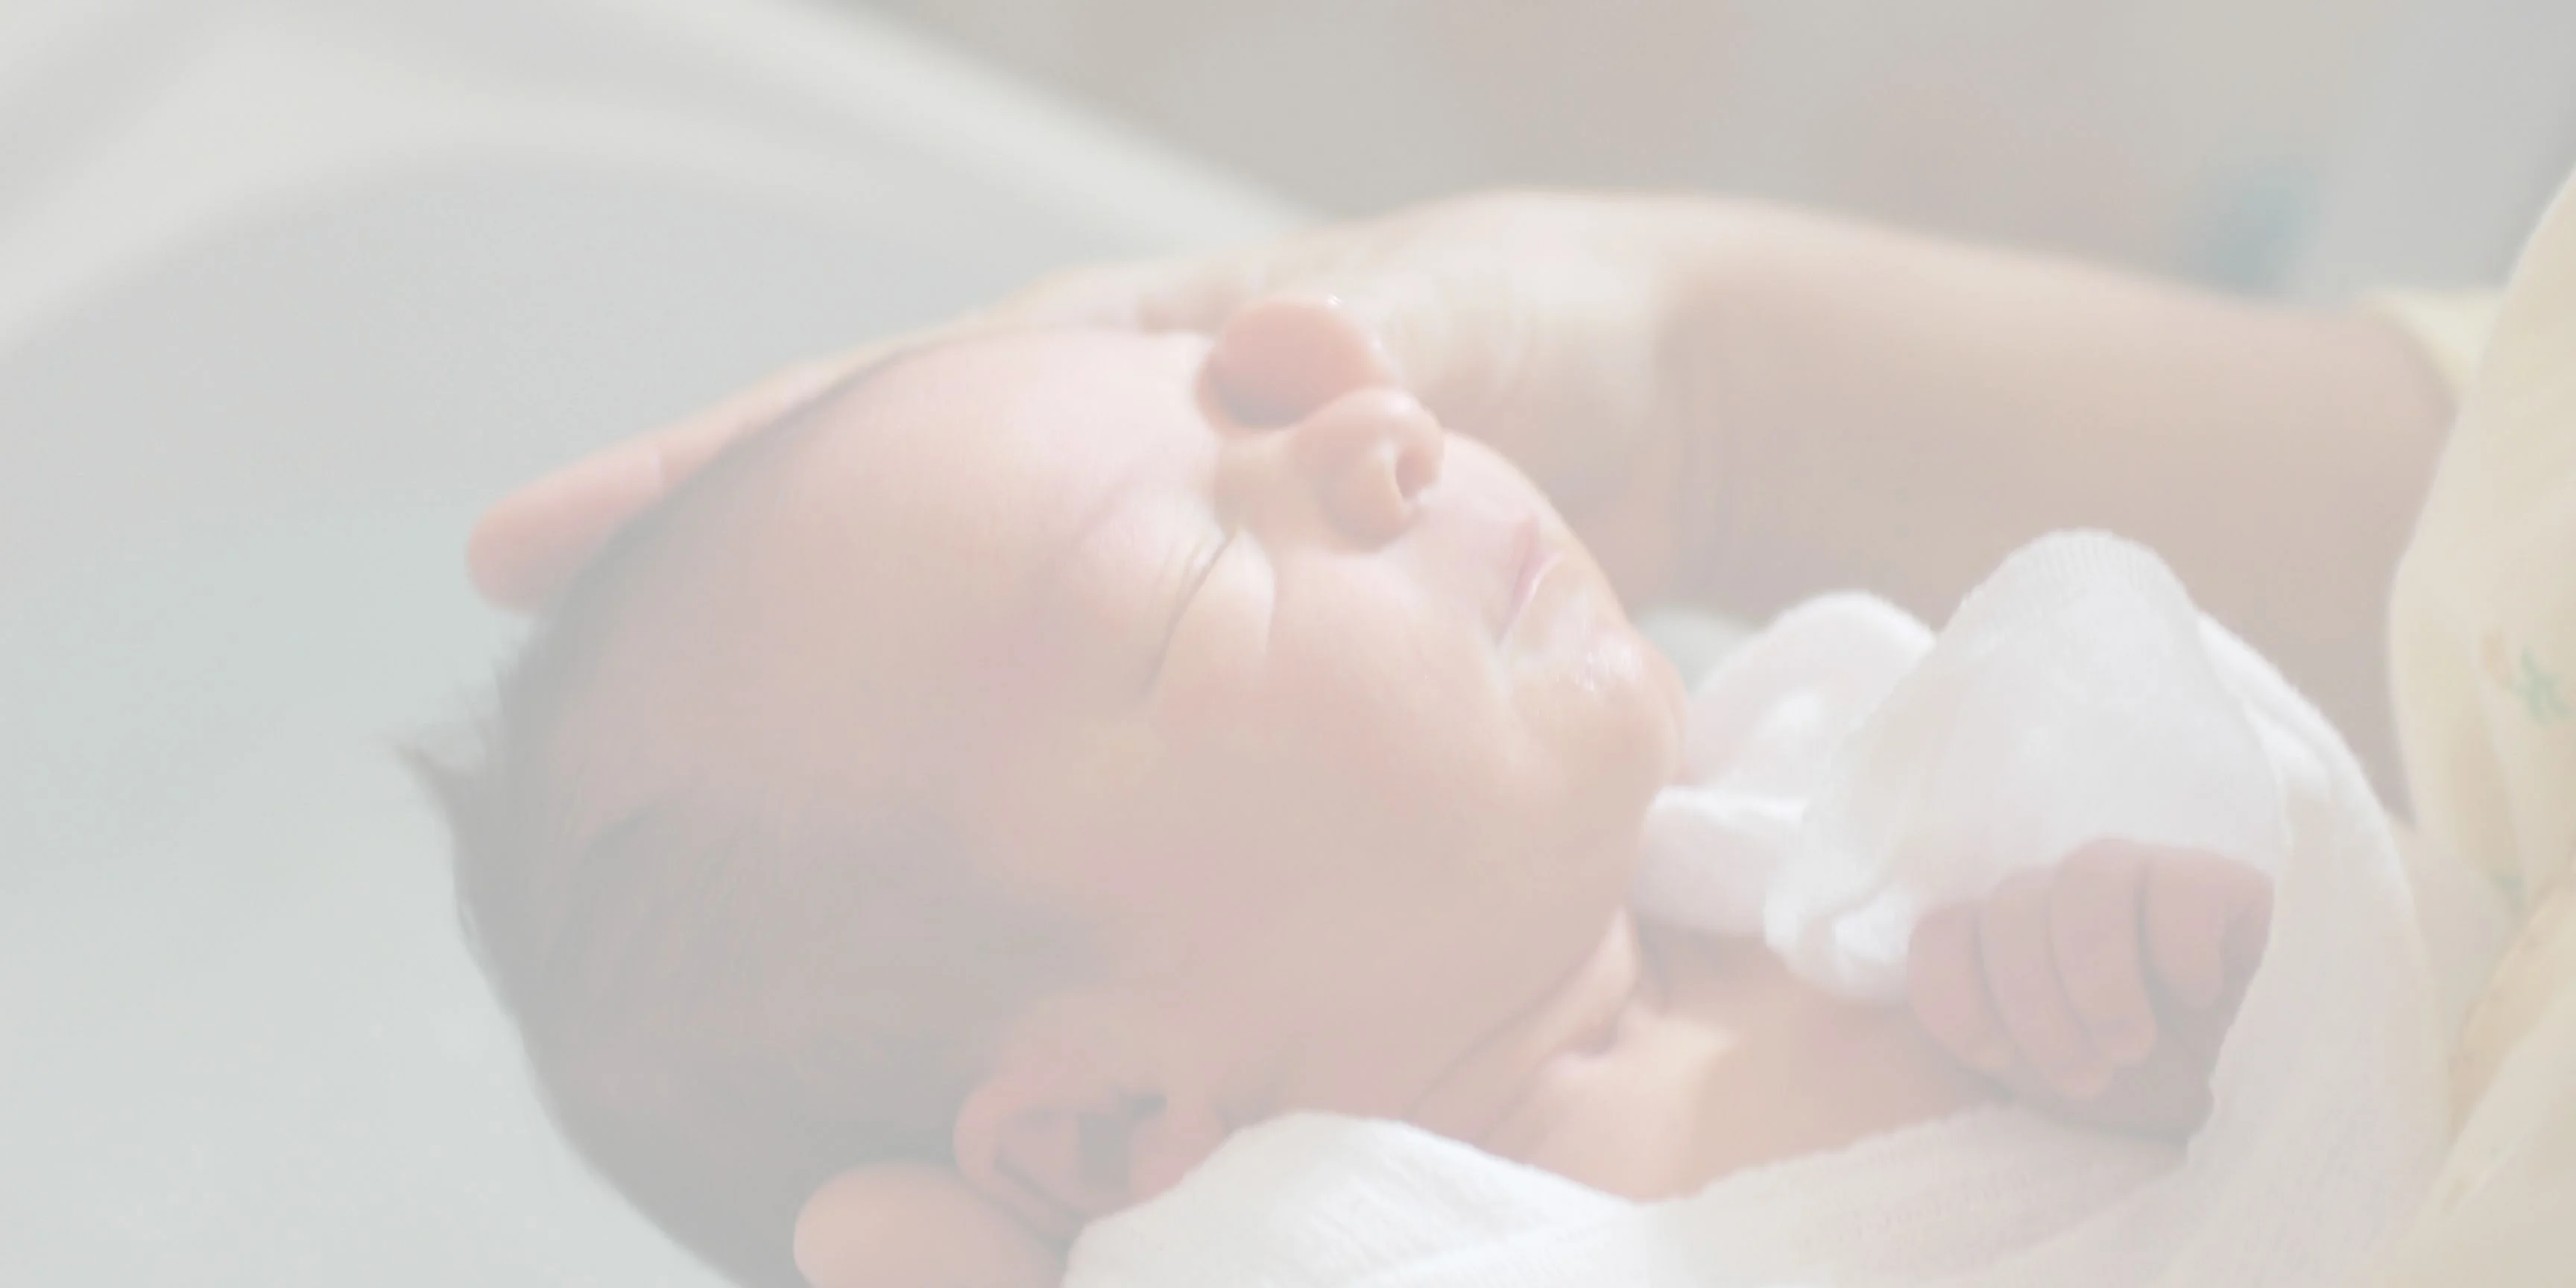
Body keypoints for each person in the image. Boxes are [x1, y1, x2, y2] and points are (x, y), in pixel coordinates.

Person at [467, 178, 2576, 1287]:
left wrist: (2194, 1001)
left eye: (1265, 404)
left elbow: (2388, 1057)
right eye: (1198, 569)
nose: (1381, 425)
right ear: (1110, 1137)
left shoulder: (1840, 804)